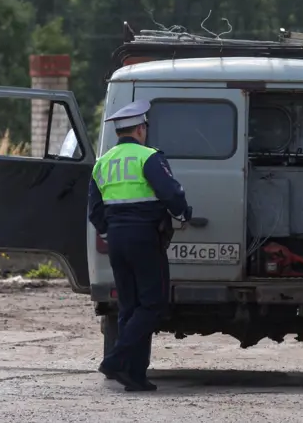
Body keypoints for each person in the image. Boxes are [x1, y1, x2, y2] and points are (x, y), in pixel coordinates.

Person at [90, 100, 192, 392]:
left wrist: (110, 232)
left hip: (117, 240)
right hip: (145, 237)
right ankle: (115, 360)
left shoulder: (103, 162)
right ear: (140, 129)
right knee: (154, 304)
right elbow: (171, 193)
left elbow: (95, 210)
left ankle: (134, 376)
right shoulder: (148, 158)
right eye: (144, 127)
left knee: (130, 306)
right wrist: (184, 213)